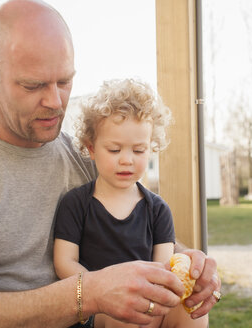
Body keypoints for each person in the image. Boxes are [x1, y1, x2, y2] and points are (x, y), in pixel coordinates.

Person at [0, 1, 221, 327]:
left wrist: (190, 261)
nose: (54, 102)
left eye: (64, 82)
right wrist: (89, 293)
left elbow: (143, 222)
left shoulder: (83, 157)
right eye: (33, 85)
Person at [53, 78, 208, 328]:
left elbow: (162, 268)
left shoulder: (158, 210)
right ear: (91, 149)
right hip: (96, 308)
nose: (127, 160)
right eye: (114, 150)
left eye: (138, 151)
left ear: (151, 148)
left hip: (147, 302)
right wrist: (103, 289)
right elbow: (64, 262)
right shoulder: (76, 204)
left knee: (190, 309)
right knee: (124, 315)